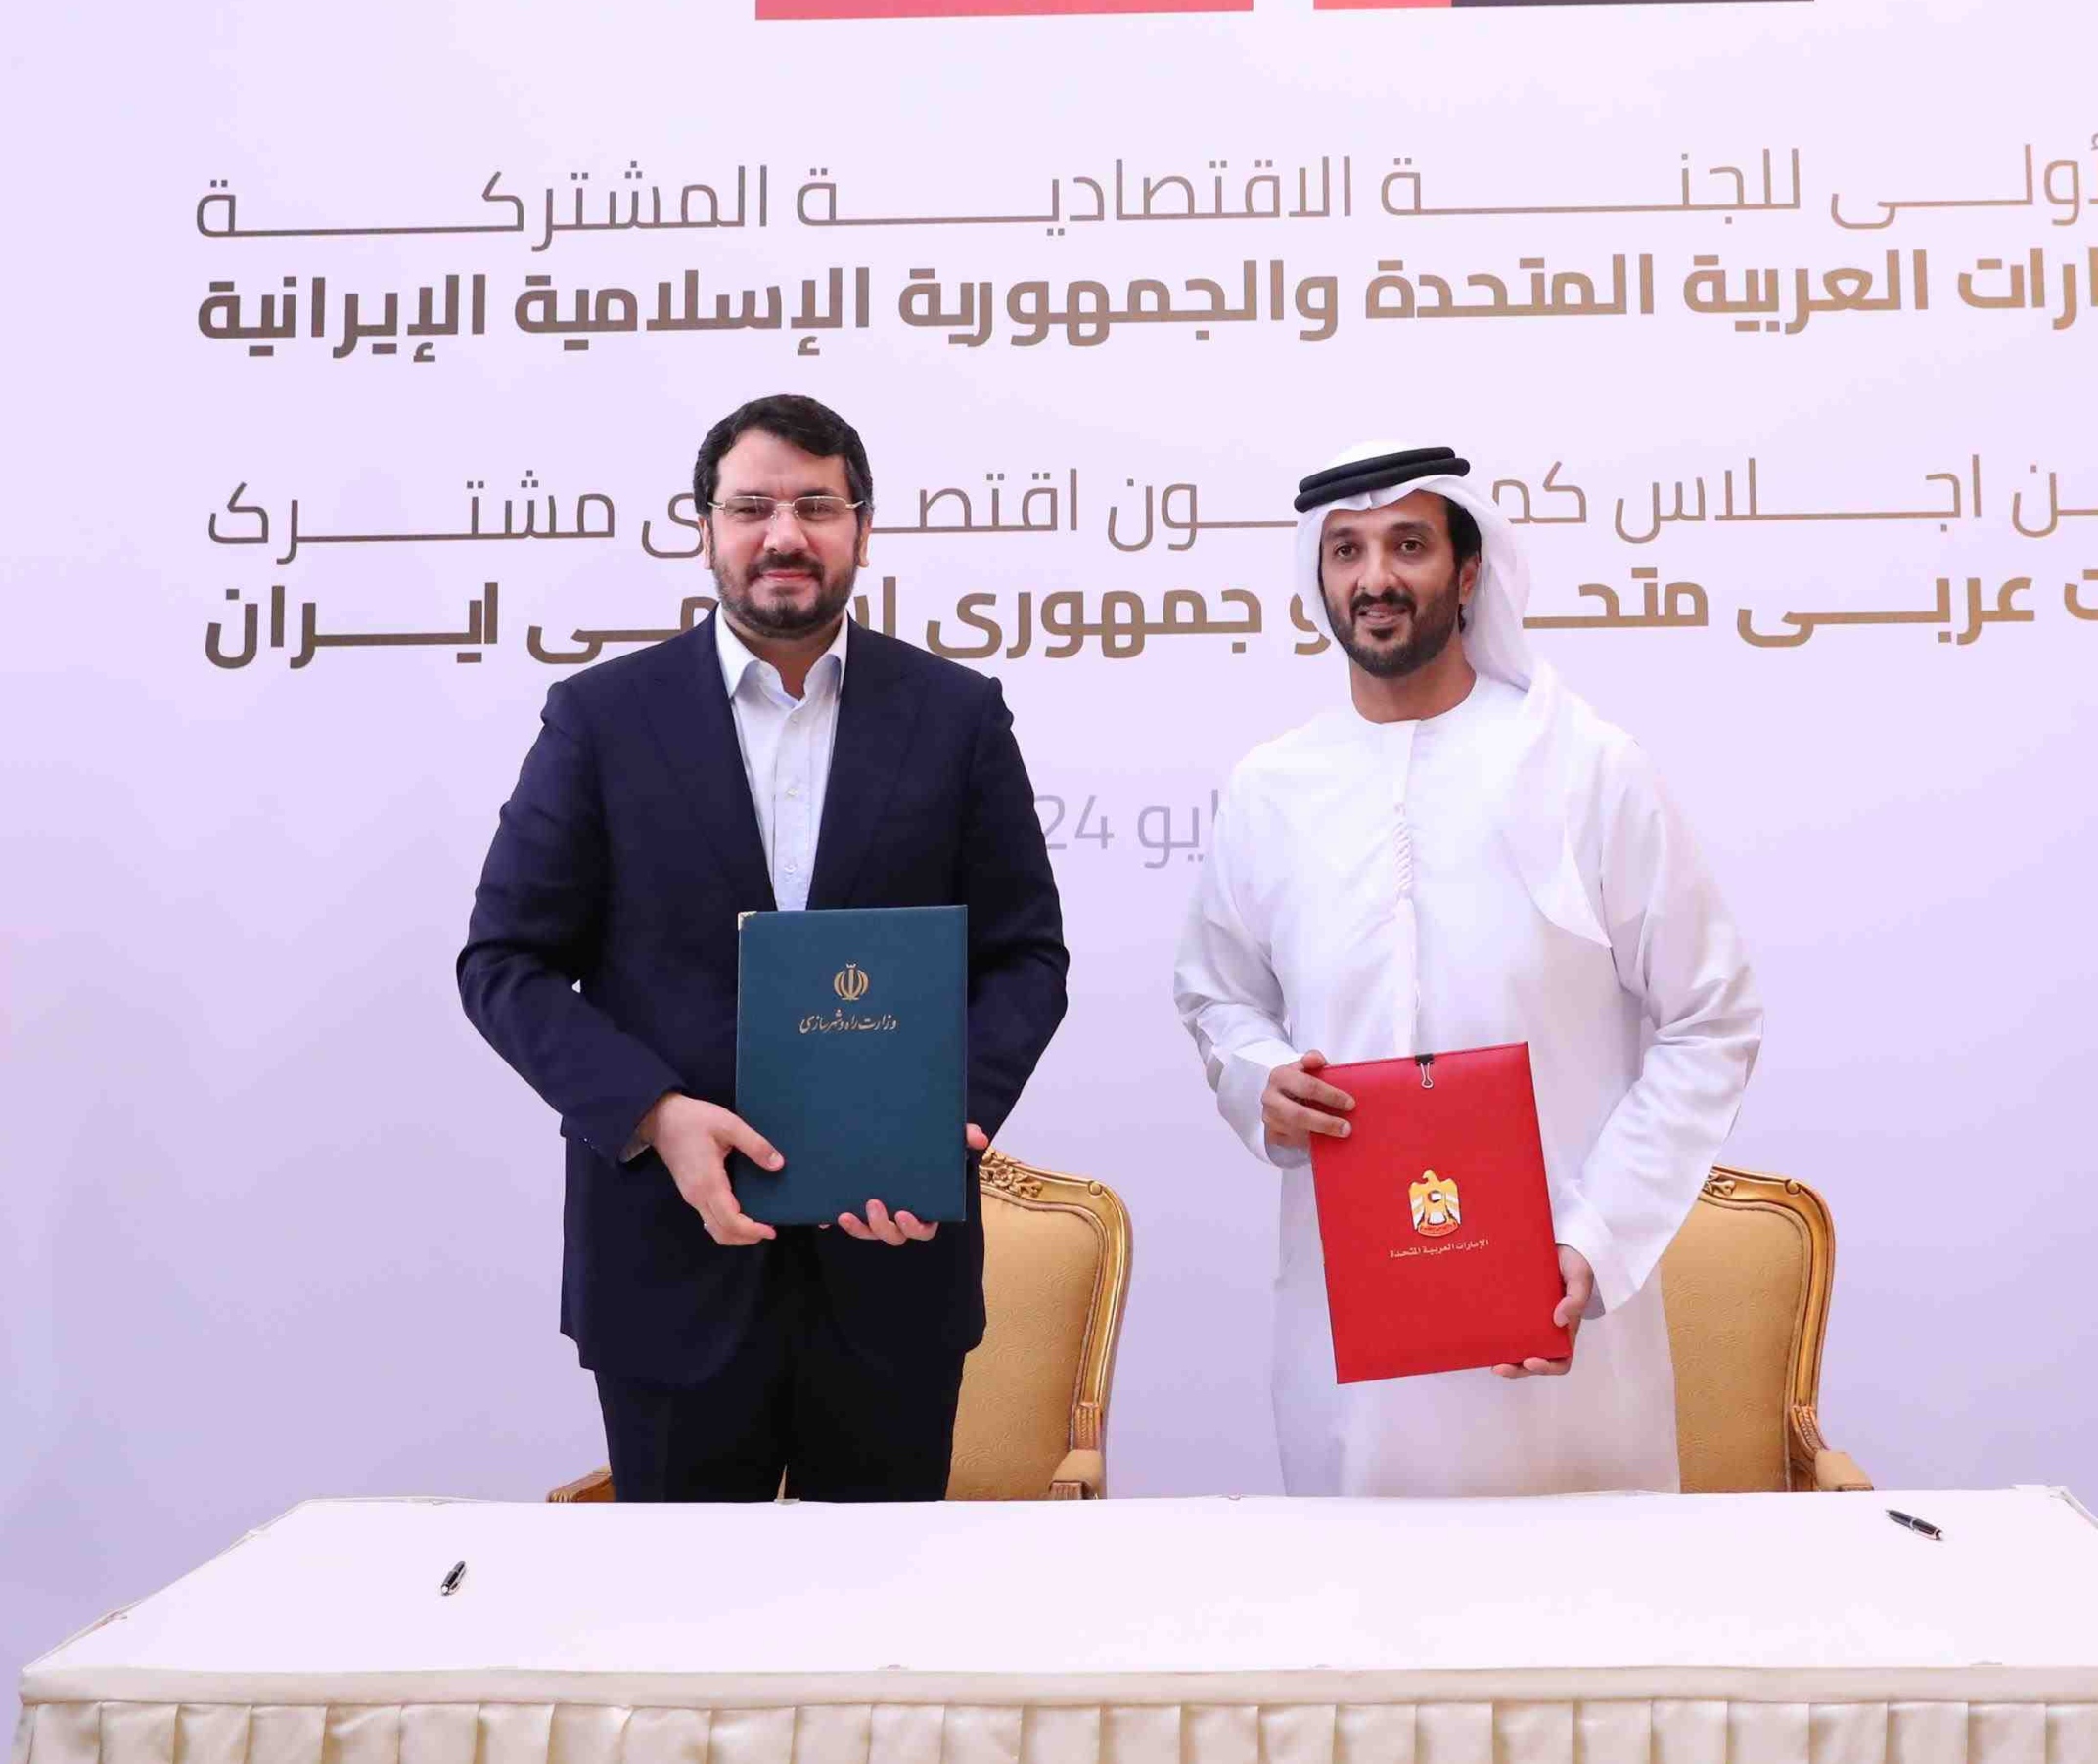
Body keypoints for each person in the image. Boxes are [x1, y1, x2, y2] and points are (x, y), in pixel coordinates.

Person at [460, 394, 1069, 1501]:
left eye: (816, 506)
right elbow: (504, 962)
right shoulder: (601, 718)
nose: (784, 535)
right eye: (751, 507)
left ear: (863, 529)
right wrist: (653, 1112)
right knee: (681, 1610)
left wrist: (946, 1119)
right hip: (668, 1269)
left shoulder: (956, 715)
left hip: (894, 1269)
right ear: (704, 528)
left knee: (889, 1608)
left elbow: (1026, 957)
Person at [1171, 442, 1763, 1496]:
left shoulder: (1586, 766)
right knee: (1357, 1589)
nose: (1375, 578)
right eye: (1347, 551)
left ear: (1470, 570)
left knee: (1580, 1593)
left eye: (1409, 545)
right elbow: (1218, 993)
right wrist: (1261, 1079)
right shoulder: (1271, 788)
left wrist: (1600, 1236)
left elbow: (1710, 1017)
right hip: (1349, 1335)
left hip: (1561, 1313)